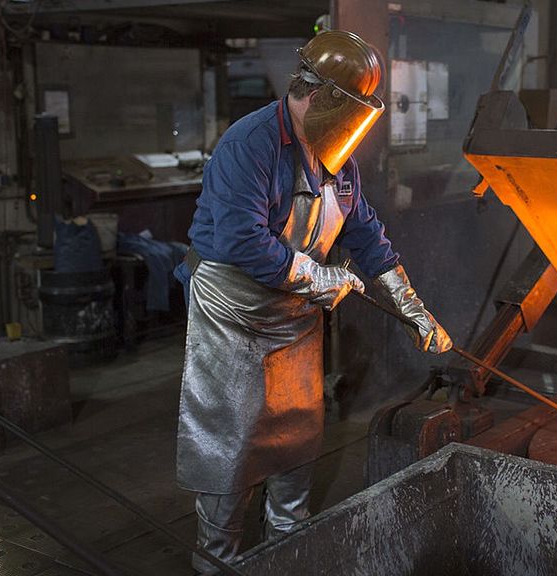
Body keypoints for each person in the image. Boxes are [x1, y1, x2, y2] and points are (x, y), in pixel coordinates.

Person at [172, 29, 452, 573]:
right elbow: (239, 240)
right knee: (232, 456)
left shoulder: (335, 159)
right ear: (322, 98)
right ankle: (219, 563)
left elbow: (365, 234)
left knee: (295, 446)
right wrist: (320, 279)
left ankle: (288, 555)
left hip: (294, 319)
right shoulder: (248, 144)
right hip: (234, 314)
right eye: (351, 111)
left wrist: (410, 303)